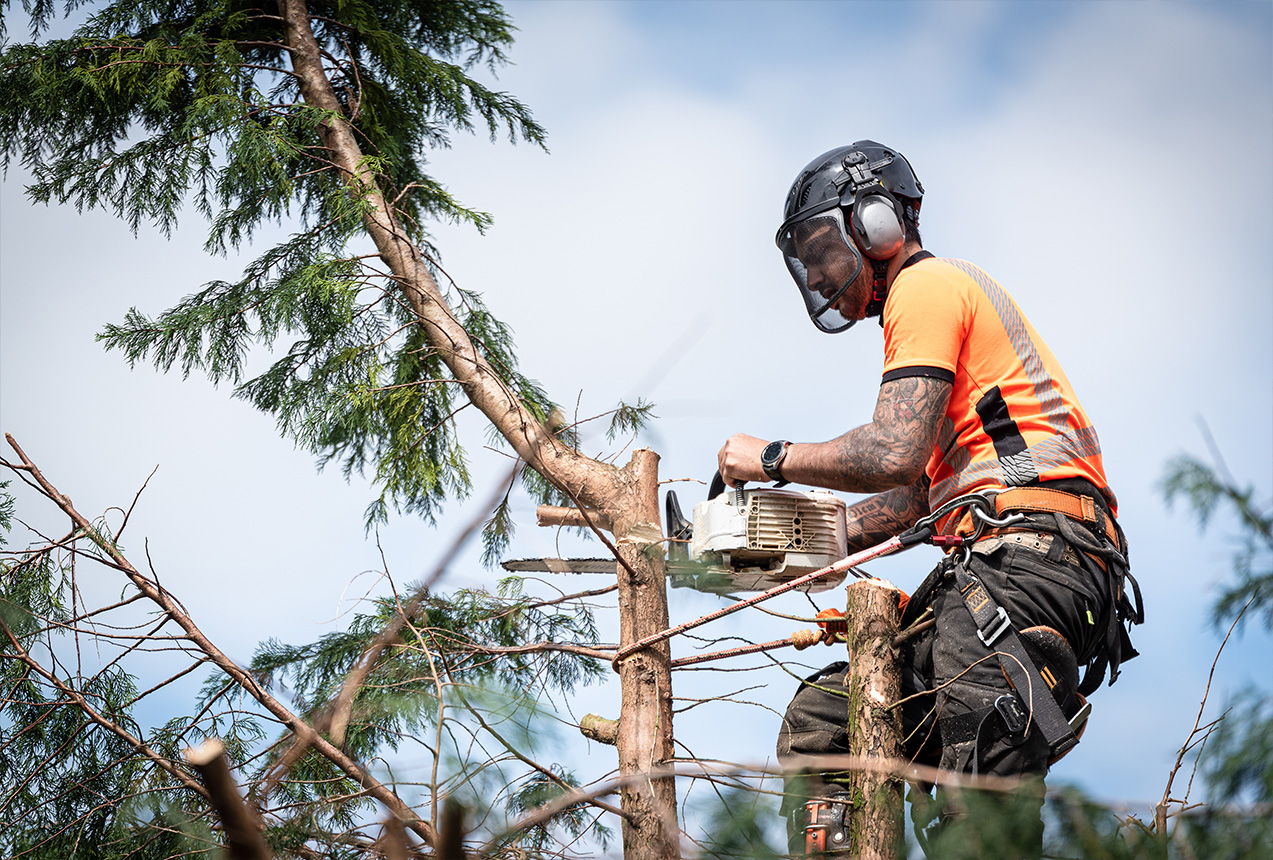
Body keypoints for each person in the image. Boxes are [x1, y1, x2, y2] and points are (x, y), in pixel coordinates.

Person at [716, 141, 1143, 856]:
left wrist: (770, 458)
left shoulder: (927, 287)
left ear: (878, 222)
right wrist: (758, 543)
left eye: (824, 246)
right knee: (827, 721)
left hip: (1035, 559)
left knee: (978, 794)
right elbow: (910, 499)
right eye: (808, 256)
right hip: (1001, 563)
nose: (818, 271)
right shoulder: (935, 342)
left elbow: (889, 450)